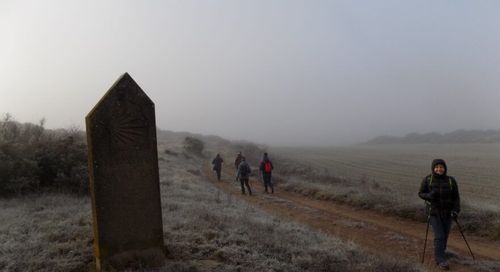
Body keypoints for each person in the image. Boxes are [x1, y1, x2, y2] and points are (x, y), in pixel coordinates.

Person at [418, 159, 460, 270]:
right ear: (433, 168)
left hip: (448, 213)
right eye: (436, 167)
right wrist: (429, 195)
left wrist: (456, 210)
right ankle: (440, 260)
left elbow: (456, 198)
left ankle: (441, 252)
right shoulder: (428, 179)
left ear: (445, 168)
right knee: (439, 236)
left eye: (441, 167)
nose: (439, 169)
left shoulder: (451, 180)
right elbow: (421, 193)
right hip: (434, 213)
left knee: (445, 235)